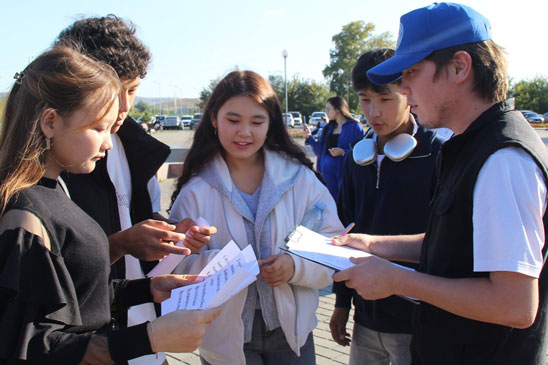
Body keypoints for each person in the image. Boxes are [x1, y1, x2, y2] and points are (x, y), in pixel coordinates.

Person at [333, 3, 548, 364]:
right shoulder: (472, 146)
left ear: (460, 67)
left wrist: (398, 281)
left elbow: (515, 305)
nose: (403, 87)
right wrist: (375, 244)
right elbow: (459, 247)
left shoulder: (502, 160)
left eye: (412, 72)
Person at [0, 46, 220, 364]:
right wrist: (150, 338)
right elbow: (29, 345)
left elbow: (76, 297)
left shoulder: (53, 192)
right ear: (49, 122)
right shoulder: (24, 216)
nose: (107, 142)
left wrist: (147, 289)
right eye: (98, 128)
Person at [54, 16, 216, 365]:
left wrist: (171, 233)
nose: (124, 108)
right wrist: (122, 244)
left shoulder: (135, 147)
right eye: (115, 92)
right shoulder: (50, 165)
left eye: (133, 90)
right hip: (84, 347)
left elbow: (136, 217)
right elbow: (49, 280)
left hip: (142, 335)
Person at [168, 70, 345, 364]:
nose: (244, 132)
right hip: (224, 339)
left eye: (257, 121)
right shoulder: (196, 191)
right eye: (233, 120)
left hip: (293, 336)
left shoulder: (299, 179)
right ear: (214, 119)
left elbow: (333, 245)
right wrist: (205, 258)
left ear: (271, 123)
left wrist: (294, 266)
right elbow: (174, 268)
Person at [330, 48, 445, 364]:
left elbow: (445, 240)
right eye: (365, 100)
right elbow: (347, 229)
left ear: (408, 94)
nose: (372, 112)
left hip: (419, 320)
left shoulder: (437, 155)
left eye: (384, 99)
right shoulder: (357, 156)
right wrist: (342, 304)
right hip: (366, 318)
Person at [304, 96, 365, 200]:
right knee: (330, 204)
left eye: (328, 109)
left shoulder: (355, 127)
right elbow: (319, 149)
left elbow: (362, 152)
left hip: (345, 174)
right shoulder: (328, 128)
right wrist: (309, 136)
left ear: (337, 110)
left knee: (345, 203)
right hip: (327, 174)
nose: (326, 112)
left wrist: (343, 152)